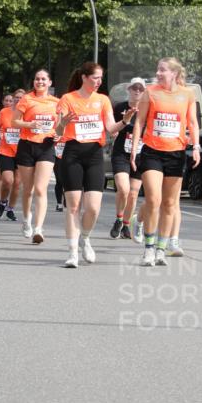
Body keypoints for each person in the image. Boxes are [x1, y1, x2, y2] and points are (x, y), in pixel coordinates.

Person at [130, 58, 200, 267]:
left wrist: (196, 147)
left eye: (163, 70)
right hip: (152, 151)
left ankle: (161, 248)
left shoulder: (187, 94)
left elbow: (193, 123)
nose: (158, 73)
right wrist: (134, 149)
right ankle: (149, 249)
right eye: (158, 69)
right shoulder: (150, 92)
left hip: (176, 153)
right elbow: (140, 122)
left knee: (170, 203)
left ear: (175, 74)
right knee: (153, 199)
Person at [55, 62, 123, 267]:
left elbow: (111, 128)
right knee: (74, 206)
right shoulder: (67, 99)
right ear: (84, 77)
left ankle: (85, 237)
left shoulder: (102, 100)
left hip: (94, 154)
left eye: (101, 78)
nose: (99, 82)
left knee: (93, 208)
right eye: (95, 78)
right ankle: (73, 252)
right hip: (72, 153)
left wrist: (125, 121)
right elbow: (57, 132)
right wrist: (64, 123)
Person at [12, 70, 59, 243]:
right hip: (27, 145)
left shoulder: (56, 102)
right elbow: (14, 121)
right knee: (28, 189)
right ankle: (27, 220)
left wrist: (59, 135)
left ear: (49, 82)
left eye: (43, 79)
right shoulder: (27, 99)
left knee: (40, 189)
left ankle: (38, 228)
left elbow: (61, 125)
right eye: (37, 79)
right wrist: (29, 124)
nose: (40, 81)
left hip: (46, 146)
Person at [109, 77, 145, 240]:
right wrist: (117, 129)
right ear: (128, 89)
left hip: (140, 153)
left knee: (133, 193)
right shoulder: (120, 107)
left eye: (140, 89)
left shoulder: (148, 109)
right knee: (123, 189)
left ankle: (126, 224)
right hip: (121, 152)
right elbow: (112, 127)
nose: (137, 91)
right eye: (134, 88)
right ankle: (118, 219)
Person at [0, 90, 24, 222]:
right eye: (16, 98)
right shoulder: (4, 112)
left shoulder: (28, 113)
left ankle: (10, 209)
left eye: (21, 98)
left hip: (23, 152)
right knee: (7, 181)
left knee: (17, 183)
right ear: (13, 99)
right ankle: (2, 202)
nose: (18, 100)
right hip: (6, 151)